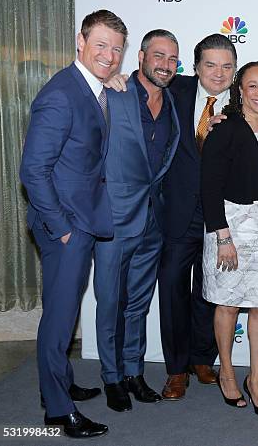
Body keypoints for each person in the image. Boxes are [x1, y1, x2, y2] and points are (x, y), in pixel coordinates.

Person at [19, 9, 127, 438]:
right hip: (64, 225)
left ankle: (57, 386)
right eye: (100, 45)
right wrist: (62, 226)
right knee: (61, 319)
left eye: (116, 49)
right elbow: (33, 170)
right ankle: (57, 412)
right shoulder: (61, 94)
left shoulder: (90, 87)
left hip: (78, 220)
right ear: (79, 43)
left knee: (61, 314)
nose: (109, 55)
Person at [93, 29, 180, 412]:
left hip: (152, 221)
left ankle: (133, 371)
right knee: (111, 301)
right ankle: (111, 377)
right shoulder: (113, 93)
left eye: (172, 59)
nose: (164, 65)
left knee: (139, 304)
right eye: (158, 56)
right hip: (113, 218)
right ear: (141, 56)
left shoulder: (175, 101)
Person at [201, 61, 258, 419]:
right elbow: (209, 186)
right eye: (252, 86)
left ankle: (256, 381)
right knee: (228, 305)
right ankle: (228, 374)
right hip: (231, 231)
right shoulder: (225, 128)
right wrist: (223, 237)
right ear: (239, 89)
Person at [157, 34, 237, 399]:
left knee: (210, 289)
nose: (218, 73)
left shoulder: (244, 102)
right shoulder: (175, 89)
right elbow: (142, 78)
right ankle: (176, 369)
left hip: (219, 216)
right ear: (195, 67)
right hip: (177, 211)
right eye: (210, 65)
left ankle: (201, 358)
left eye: (226, 66)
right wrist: (116, 80)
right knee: (173, 288)